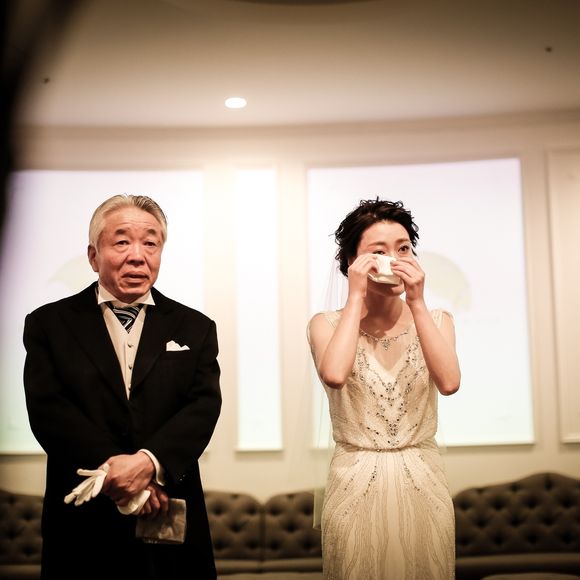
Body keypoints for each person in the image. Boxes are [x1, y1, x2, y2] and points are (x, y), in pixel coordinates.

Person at [23, 194, 222, 579]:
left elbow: (202, 407)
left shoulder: (195, 327)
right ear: (93, 256)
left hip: (167, 509)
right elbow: (49, 410)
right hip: (84, 517)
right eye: (121, 242)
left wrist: (148, 464)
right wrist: (119, 474)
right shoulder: (49, 324)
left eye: (150, 243)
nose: (137, 256)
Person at [307, 198, 461, 579]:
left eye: (403, 249)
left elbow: (449, 382)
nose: (393, 260)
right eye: (378, 252)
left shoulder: (438, 319)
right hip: (354, 483)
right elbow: (335, 375)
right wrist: (356, 296)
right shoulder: (325, 324)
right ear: (351, 261)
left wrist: (418, 302)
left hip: (424, 482)